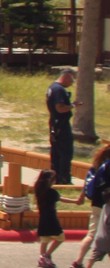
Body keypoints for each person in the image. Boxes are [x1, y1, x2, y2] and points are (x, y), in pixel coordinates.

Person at [74, 143, 110, 268]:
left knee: (92, 234)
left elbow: (88, 183)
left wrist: (81, 197)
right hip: (107, 206)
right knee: (102, 236)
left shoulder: (97, 165)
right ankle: (83, 264)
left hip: (96, 204)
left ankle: (79, 262)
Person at [48, 68, 77, 196]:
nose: (72, 83)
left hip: (55, 123)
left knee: (56, 152)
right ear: (67, 76)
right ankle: (64, 178)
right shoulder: (59, 89)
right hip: (61, 124)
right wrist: (73, 106)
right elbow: (60, 108)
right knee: (65, 152)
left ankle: (55, 177)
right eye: (72, 79)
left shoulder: (53, 87)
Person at [35, 169, 66, 268]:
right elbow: (61, 199)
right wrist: (75, 201)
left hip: (43, 219)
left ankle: (42, 258)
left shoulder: (39, 191)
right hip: (52, 219)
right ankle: (47, 256)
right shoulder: (52, 192)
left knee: (45, 239)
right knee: (60, 238)